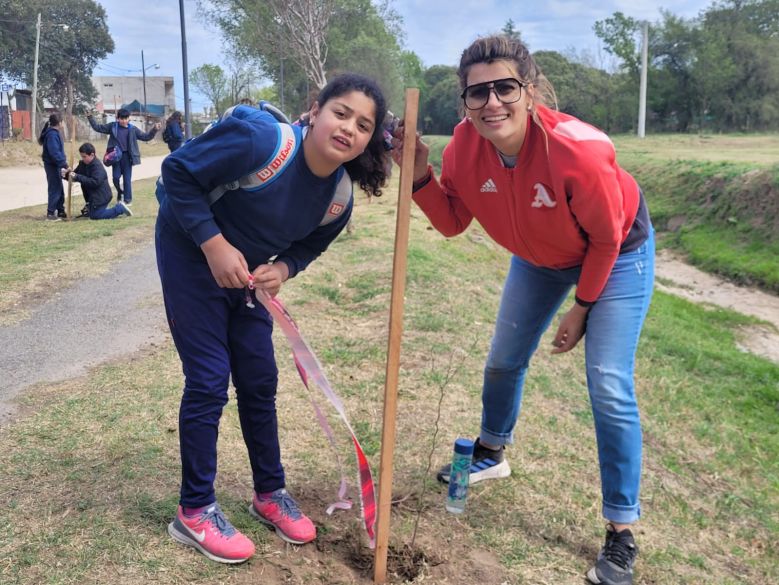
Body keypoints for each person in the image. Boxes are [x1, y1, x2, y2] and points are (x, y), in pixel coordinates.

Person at [393, 35, 654, 585]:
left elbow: (607, 238)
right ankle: (490, 450)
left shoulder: (577, 150)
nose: (492, 103)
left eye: (505, 88)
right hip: (538, 257)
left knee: (607, 383)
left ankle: (621, 531)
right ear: (463, 100)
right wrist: (418, 172)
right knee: (503, 359)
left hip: (616, 251)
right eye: (477, 92)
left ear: (529, 90)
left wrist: (581, 308)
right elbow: (451, 221)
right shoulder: (463, 149)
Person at [156, 73, 389, 564]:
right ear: (316, 108)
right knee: (208, 379)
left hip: (245, 279)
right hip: (190, 252)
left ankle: (269, 494)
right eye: (341, 113)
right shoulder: (263, 141)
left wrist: (282, 268)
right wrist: (213, 244)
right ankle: (194, 510)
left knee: (260, 379)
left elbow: (310, 245)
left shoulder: (338, 199)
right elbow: (177, 172)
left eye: (364, 125)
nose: (349, 128)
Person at [87, 108, 160, 205]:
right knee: (115, 178)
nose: (124, 121)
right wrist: (90, 117)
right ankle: (120, 192)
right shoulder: (113, 127)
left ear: (129, 118)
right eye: (122, 118)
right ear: (118, 118)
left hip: (128, 157)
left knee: (127, 179)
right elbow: (98, 128)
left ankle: (127, 200)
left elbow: (146, 137)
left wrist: (154, 129)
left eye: (126, 118)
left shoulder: (133, 129)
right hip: (115, 157)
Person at [61, 143, 133, 219]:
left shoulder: (97, 167)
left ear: (92, 155)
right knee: (90, 213)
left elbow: (95, 182)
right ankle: (90, 206)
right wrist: (66, 174)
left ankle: (119, 208)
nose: (83, 158)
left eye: (84, 156)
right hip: (93, 196)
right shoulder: (83, 164)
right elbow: (75, 175)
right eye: (82, 156)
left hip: (101, 196)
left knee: (95, 215)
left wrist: (76, 176)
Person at [39, 113, 69, 221]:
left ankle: (60, 210)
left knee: (59, 188)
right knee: (54, 188)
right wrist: (64, 164)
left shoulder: (55, 133)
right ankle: (51, 213)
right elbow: (54, 152)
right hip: (52, 165)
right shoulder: (52, 135)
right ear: (59, 123)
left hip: (56, 165)